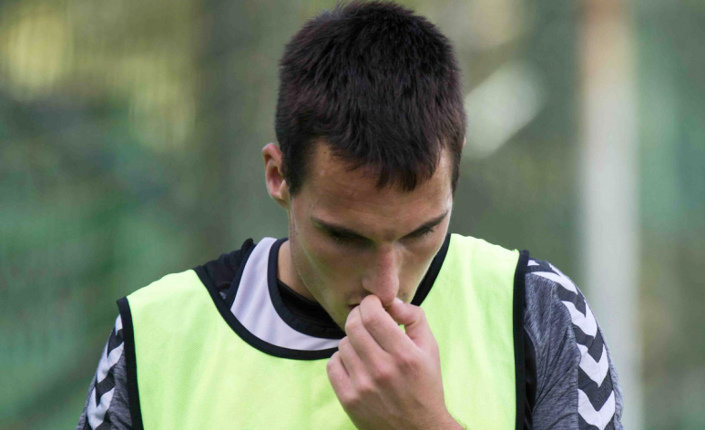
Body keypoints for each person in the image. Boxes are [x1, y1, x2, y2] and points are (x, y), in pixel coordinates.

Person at [77, 2, 623, 429]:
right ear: (279, 177)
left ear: (454, 178)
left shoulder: (538, 311)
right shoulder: (152, 339)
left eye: (422, 231)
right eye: (345, 237)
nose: (386, 287)